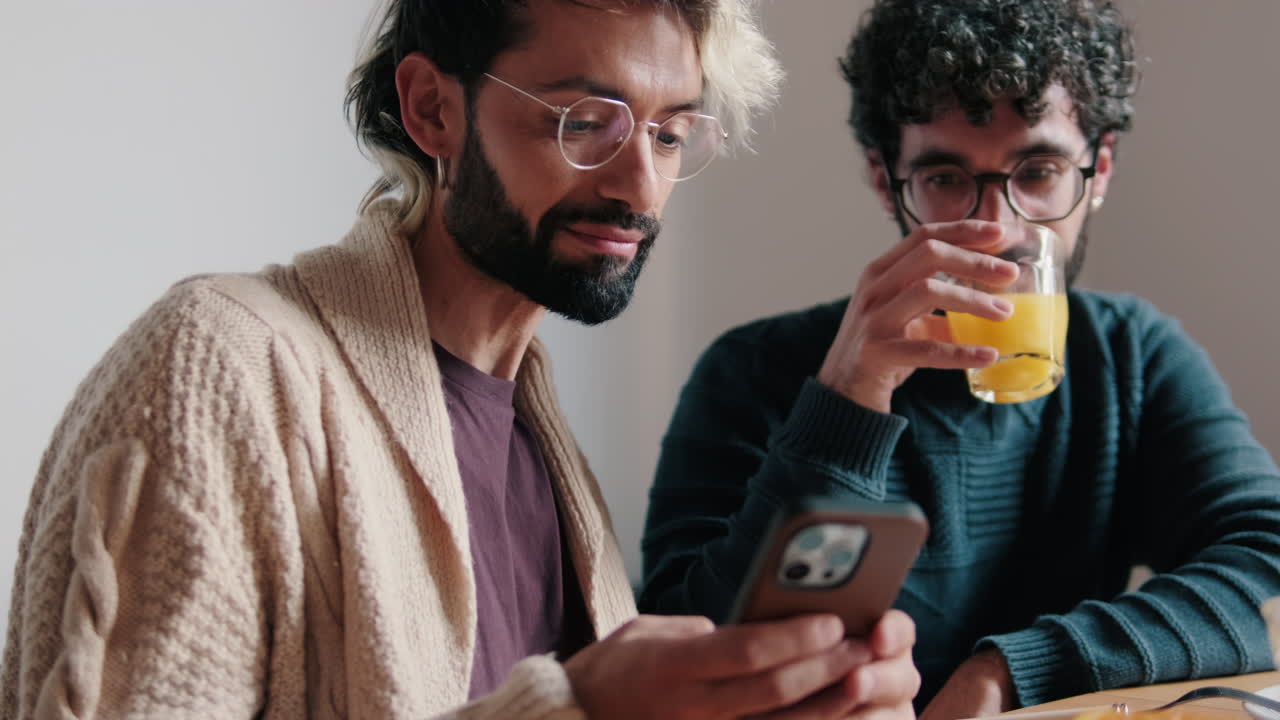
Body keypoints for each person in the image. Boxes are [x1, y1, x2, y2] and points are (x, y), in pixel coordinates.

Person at [0, 1, 923, 718]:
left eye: (670, 133)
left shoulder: (541, 442)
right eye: (583, 120)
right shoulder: (221, 361)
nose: (641, 183)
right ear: (433, 110)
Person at [638, 1, 1280, 719]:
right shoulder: (754, 373)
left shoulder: (1130, 360)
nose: (999, 230)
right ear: (888, 185)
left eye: (1037, 171)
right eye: (946, 180)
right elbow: (680, 668)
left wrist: (1006, 671)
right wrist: (847, 400)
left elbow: (1270, 563)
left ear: (1097, 173)